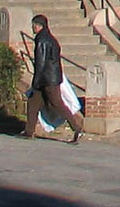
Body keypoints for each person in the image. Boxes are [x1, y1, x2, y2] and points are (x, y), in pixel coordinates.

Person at [22, 13, 84, 141]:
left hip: (47, 79)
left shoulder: (41, 39)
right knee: (33, 102)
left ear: (38, 26)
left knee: (57, 103)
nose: (33, 28)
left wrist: (36, 81)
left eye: (34, 25)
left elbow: (41, 62)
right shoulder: (51, 38)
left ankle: (76, 127)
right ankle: (29, 131)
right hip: (51, 77)